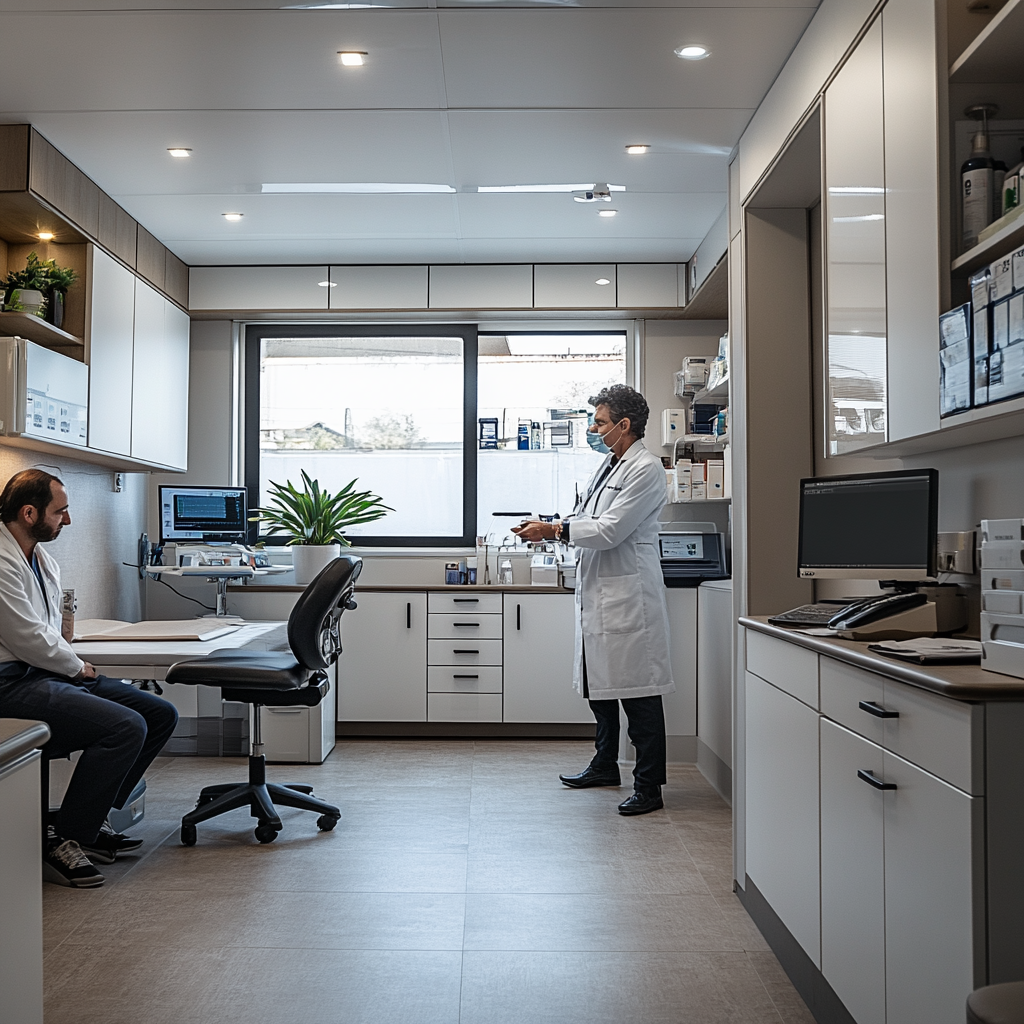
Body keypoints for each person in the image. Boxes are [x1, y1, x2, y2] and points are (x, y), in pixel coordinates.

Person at [0, 469, 178, 887]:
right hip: (11, 682)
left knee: (158, 714)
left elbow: (46, 629)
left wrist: (69, 659)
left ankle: (90, 817)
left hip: (44, 672)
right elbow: (25, 637)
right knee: (125, 726)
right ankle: (66, 839)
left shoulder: (39, 558)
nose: (68, 520)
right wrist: (77, 666)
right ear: (29, 513)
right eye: (60, 511)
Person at [514, 385, 675, 816]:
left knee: (640, 696)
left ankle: (649, 787)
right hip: (601, 591)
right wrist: (553, 524)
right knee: (599, 691)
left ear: (625, 425)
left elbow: (609, 530)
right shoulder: (611, 465)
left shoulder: (646, 469)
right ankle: (605, 765)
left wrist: (553, 531)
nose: (593, 429)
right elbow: (588, 519)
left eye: (600, 422)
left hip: (629, 597)